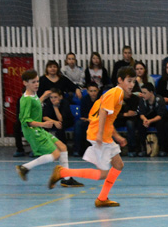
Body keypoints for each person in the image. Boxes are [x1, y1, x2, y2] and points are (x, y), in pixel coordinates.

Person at [48, 67, 137, 206]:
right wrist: (100, 134)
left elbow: (107, 118)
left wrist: (117, 137)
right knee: (102, 174)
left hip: (104, 134)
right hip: (99, 135)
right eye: (129, 81)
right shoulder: (117, 92)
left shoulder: (114, 93)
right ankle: (63, 172)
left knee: (118, 165)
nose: (132, 85)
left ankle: (102, 198)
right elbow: (103, 112)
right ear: (120, 80)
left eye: (134, 81)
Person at [15, 71, 82, 187]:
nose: (36, 84)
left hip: (38, 129)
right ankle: (25, 167)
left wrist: (43, 97)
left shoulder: (33, 95)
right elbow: (26, 121)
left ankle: (66, 178)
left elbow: (35, 106)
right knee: (56, 155)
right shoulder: (26, 99)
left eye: (37, 81)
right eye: (33, 82)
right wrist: (44, 124)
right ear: (25, 83)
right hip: (33, 131)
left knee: (63, 147)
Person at [137, 83, 168, 157]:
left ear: (151, 92)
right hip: (147, 118)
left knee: (161, 124)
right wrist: (145, 120)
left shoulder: (160, 100)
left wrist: (150, 121)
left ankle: (162, 148)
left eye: (145, 93)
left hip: (158, 119)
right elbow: (141, 114)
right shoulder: (142, 100)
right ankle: (143, 149)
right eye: (142, 92)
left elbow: (160, 116)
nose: (142, 95)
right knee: (140, 124)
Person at [74, 83, 100, 157]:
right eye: (91, 91)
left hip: (99, 121)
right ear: (88, 91)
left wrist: (93, 119)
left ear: (98, 91)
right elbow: (83, 114)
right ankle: (78, 150)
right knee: (78, 124)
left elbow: (103, 113)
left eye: (94, 91)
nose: (93, 93)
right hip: (87, 120)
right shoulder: (84, 100)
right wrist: (89, 119)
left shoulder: (102, 100)